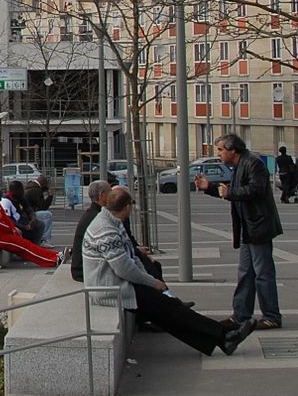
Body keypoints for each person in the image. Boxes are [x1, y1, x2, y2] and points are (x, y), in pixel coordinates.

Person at [85, 188, 255, 357]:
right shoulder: (105, 230)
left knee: (168, 310)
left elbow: (132, 257)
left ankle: (224, 337)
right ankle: (224, 335)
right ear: (127, 207)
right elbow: (123, 268)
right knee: (168, 308)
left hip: (119, 284)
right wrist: (152, 282)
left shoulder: (113, 223)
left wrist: (149, 279)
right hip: (109, 289)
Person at [202, 134, 283, 330]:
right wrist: (211, 188)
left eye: (221, 150)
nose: (218, 154)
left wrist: (228, 193)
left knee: (263, 272)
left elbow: (255, 189)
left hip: (258, 226)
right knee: (246, 272)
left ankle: (271, 315)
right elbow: (233, 190)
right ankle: (240, 314)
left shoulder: (252, 163)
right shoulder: (239, 165)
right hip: (249, 227)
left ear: (233, 150)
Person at [69, 179, 165, 285]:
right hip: (90, 271)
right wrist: (152, 282)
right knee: (148, 269)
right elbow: (120, 262)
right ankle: (164, 295)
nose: (113, 194)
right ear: (102, 195)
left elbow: (123, 243)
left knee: (150, 265)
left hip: (97, 265)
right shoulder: (99, 220)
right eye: (110, 192)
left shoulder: (98, 213)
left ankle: (164, 295)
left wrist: (137, 252)